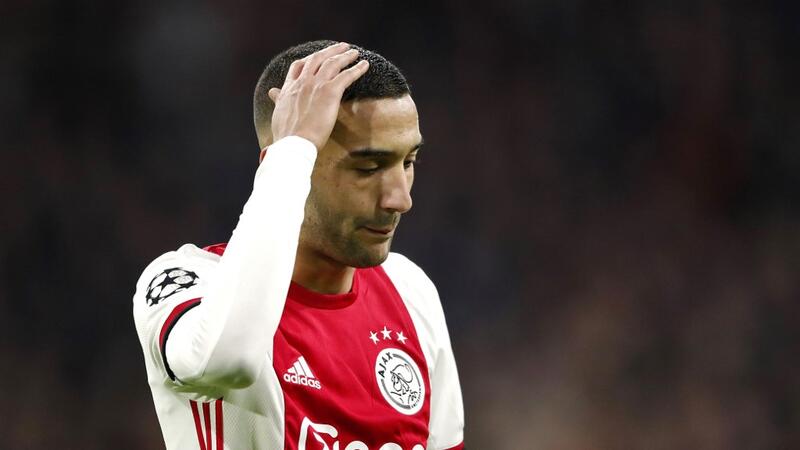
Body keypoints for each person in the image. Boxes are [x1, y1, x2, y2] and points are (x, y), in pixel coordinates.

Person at [133, 40, 464, 450]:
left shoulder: (409, 291)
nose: (400, 198)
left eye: (408, 162)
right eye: (368, 168)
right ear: (290, 161)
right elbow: (228, 361)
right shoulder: (187, 283)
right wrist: (292, 148)